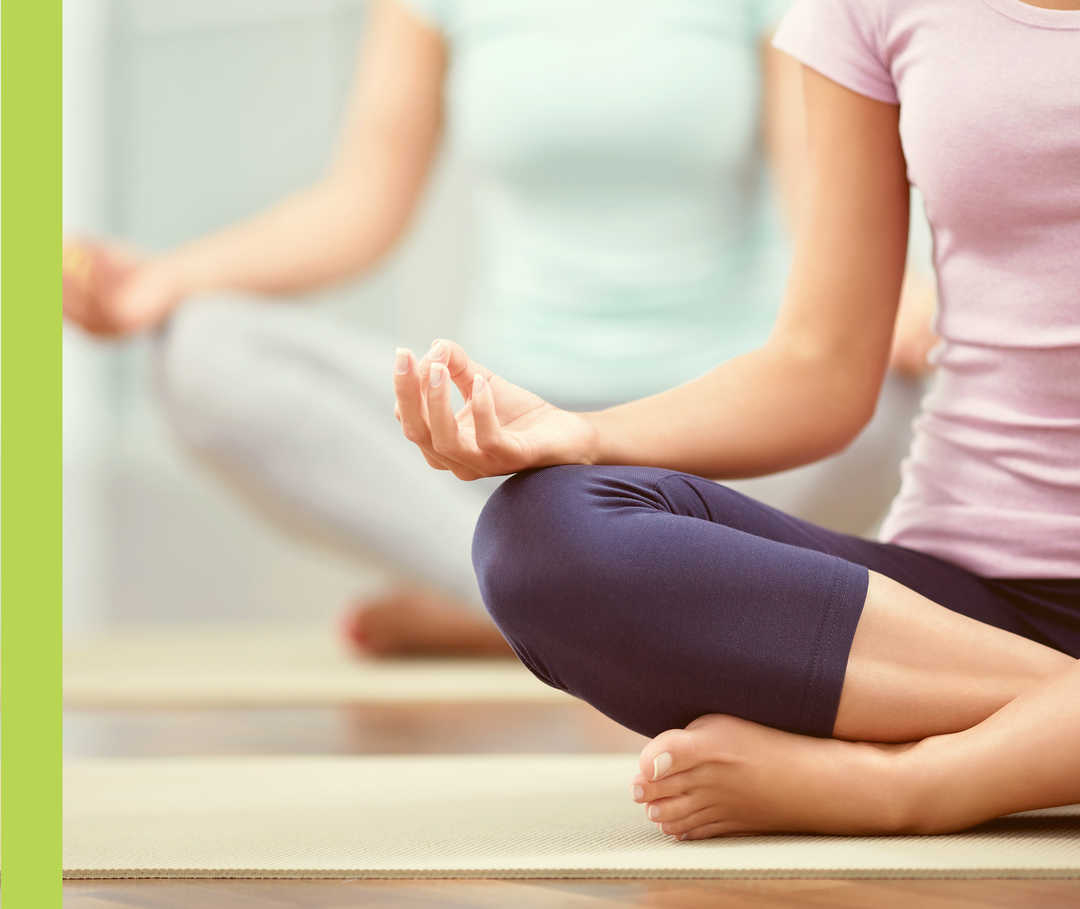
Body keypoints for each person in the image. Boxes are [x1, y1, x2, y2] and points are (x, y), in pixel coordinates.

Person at [391, 0, 1080, 838]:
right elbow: (819, 369)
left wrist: (908, 788)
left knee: (908, 773)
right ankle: (1047, 726)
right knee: (539, 534)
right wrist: (585, 434)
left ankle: (916, 775)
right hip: (954, 619)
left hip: (935, 683)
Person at [62, 0, 935, 656]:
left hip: (720, 439)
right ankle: (546, 593)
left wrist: (935, 321)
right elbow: (359, 207)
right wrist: (165, 282)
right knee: (205, 351)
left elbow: (820, 211)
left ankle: (536, 596)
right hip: (507, 440)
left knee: (889, 401)